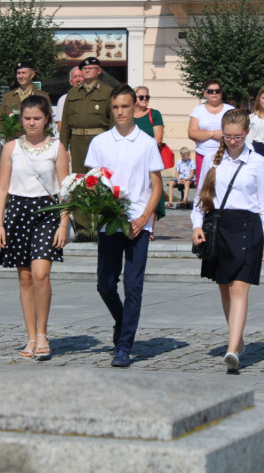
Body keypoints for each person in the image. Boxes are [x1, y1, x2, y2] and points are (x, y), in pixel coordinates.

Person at [84, 84, 164, 368]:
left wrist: (144, 219)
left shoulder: (146, 143)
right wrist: (97, 203)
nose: (120, 112)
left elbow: (156, 186)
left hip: (137, 225)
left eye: (125, 106)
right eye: (116, 107)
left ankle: (124, 345)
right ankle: (122, 320)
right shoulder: (100, 142)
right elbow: (91, 182)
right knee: (105, 285)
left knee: (133, 286)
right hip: (109, 223)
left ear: (135, 108)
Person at [190, 109, 264, 374]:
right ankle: (237, 340)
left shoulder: (257, 162)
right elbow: (200, 200)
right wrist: (195, 225)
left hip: (248, 228)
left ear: (246, 134)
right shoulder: (212, 161)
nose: (232, 141)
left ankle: (231, 349)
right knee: (225, 288)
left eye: (237, 137)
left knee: (240, 288)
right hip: (218, 227)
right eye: (227, 136)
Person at [0, 95, 71, 359]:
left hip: (47, 213)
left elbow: (65, 189)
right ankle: (29, 337)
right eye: (27, 118)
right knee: (25, 277)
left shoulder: (56, 148)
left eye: (37, 118)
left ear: (47, 118)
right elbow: (2, 188)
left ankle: (42, 332)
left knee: (40, 274)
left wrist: (64, 224)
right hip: (17, 210)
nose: (31, 123)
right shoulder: (11, 148)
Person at [59, 57, 114, 174]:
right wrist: (63, 147)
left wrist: (112, 143)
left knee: (98, 176)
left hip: (99, 140)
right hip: (77, 142)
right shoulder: (73, 92)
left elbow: (113, 121)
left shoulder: (107, 91)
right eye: (84, 68)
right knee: (78, 177)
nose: (87, 71)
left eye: (90, 68)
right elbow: (65, 122)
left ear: (99, 71)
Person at [133, 85, 167, 238]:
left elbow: (158, 139)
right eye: (141, 97)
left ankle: (150, 229)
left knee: (152, 191)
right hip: (133, 160)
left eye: (147, 97)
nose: (145, 100)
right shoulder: (128, 116)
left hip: (149, 158)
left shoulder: (154, 114)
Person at [188, 79, 236, 178]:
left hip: (225, 155)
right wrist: (212, 134)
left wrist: (223, 134)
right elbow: (192, 133)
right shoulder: (198, 110)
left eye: (217, 91)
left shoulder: (230, 110)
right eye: (210, 91)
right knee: (203, 188)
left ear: (221, 93)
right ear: (205, 94)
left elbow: (236, 131)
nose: (214, 93)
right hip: (203, 155)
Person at [0, 61, 49, 138]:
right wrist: (5, 136)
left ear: (32, 75)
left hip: (34, 141)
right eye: (18, 73)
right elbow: (0, 122)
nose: (20, 76)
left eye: (24, 73)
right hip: (12, 141)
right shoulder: (8, 96)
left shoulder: (41, 96)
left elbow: (48, 121)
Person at [54, 67, 84, 132]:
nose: (78, 79)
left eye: (80, 76)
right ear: (70, 82)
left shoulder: (93, 97)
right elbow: (60, 126)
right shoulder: (64, 99)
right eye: (74, 77)